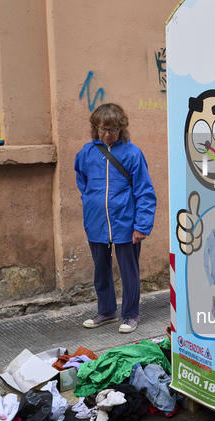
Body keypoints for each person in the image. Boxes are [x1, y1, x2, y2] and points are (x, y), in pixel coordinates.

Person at [75, 103, 157, 333]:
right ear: (95, 128)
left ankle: (130, 315)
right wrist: (92, 203)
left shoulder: (132, 153)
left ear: (121, 129)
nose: (107, 134)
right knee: (100, 270)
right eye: (102, 129)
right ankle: (107, 311)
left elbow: (145, 191)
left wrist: (141, 225)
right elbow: (83, 182)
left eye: (112, 129)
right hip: (96, 222)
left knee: (129, 271)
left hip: (126, 222)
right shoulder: (87, 153)